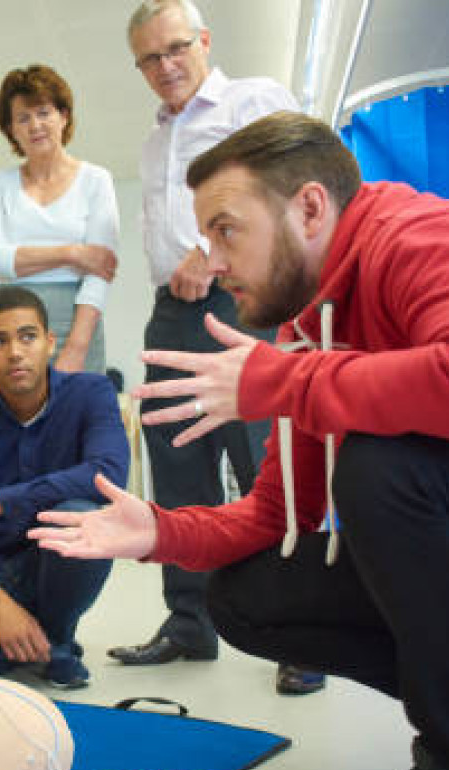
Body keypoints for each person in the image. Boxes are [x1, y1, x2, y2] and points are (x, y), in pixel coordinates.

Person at [31, 111, 449, 770]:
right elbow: (273, 520)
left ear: (307, 208)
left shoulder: (426, 239)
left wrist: (287, 381)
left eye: (227, 231)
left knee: (386, 463)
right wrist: (154, 530)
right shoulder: (313, 325)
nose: (211, 261)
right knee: (251, 594)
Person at [112, 0, 323, 696]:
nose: (166, 66)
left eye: (176, 48)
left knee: (271, 464)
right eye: (150, 58)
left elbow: (291, 187)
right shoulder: (153, 140)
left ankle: (305, 634)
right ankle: (189, 620)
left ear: (203, 40)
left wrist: (212, 252)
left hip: (247, 302)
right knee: (175, 465)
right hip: (172, 311)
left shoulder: (252, 100)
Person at [0, 286, 129, 689]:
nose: (15, 352)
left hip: (59, 559)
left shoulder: (91, 394)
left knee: (83, 516)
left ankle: (59, 638)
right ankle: (28, 636)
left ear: (49, 343)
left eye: (27, 337)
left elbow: (108, 475)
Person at [0, 64, 120, 379]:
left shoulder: (96, 180)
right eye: (23, 118)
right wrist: (71, 253)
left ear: (64, 115)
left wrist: (76, 346)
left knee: (72, 423)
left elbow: (100, 270)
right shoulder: (0, 184)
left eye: (44, 113)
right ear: (11, 129)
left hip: (77, 322)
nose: (35, 126)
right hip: (6, 320)